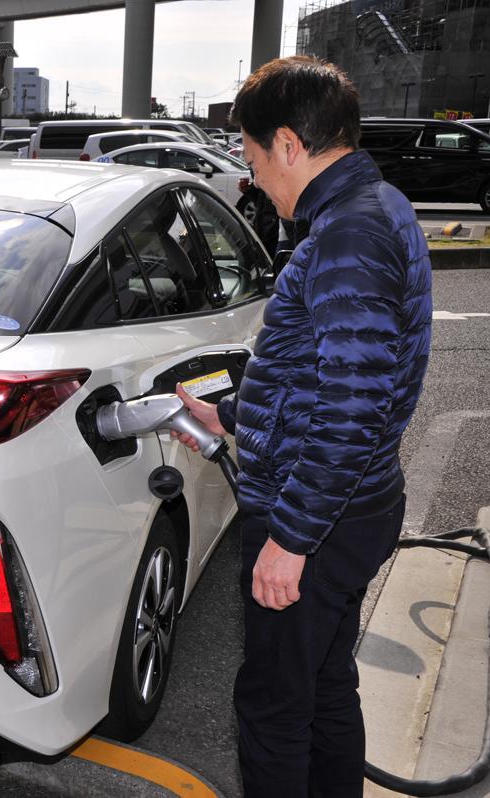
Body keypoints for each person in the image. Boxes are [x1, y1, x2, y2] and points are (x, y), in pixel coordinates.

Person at [169, 56, 432, 798]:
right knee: (322, 687)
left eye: (251, 159)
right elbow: (321, 375)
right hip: (355, 505)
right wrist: (229, 415)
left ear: (288, 144)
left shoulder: (347, 236)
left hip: (319, 518)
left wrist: (291, 539)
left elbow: (352, 409)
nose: (251, 179)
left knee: (275, 706)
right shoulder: (377, 208)